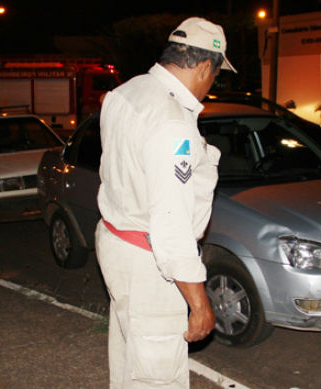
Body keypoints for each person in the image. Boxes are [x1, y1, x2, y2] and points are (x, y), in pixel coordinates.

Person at [95, 17, 237, 389]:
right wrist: (199, 302)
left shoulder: (126, 92)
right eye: (216, 75)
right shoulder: (172, 123)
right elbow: (171, 224)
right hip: (148, 262)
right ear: (206, 66)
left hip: (117, 242)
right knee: (158, 376)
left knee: (130, 361)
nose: (212, 84)